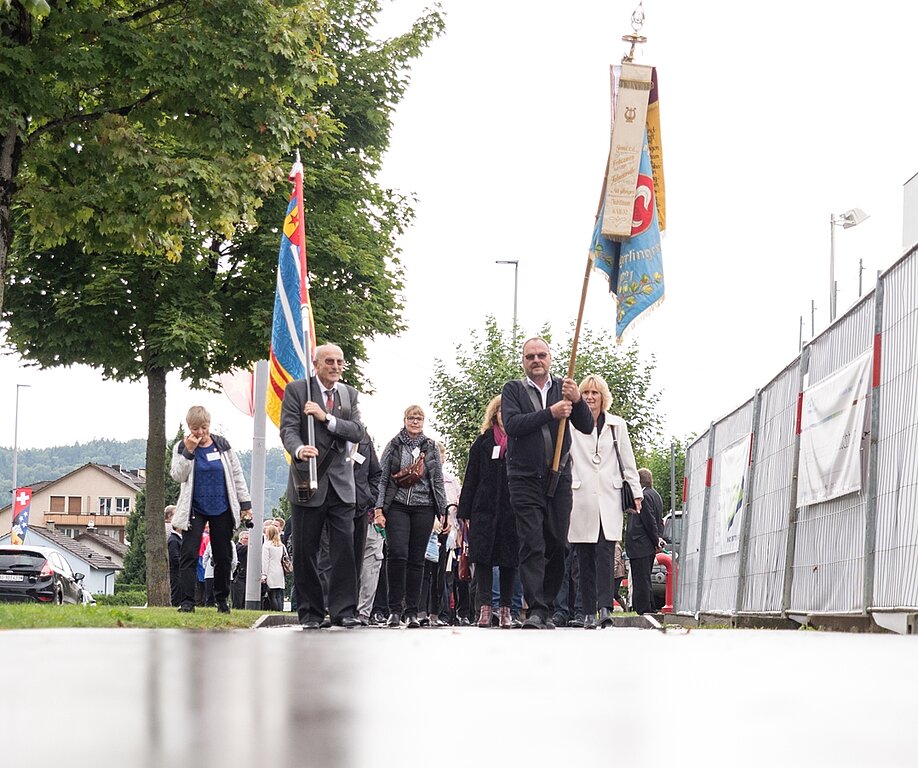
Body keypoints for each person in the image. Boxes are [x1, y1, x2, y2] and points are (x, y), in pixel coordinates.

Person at [501, 337, 593, 629]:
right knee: (532, 541)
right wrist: (550, 413)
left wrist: (577, 400)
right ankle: (537, 608)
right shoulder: (513, 390)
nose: (536, 360)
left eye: (541, 355)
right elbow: (513, 425)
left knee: (557, 542)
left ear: (550, 358)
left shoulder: (563, 388)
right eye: (530, 356)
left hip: (559, 475)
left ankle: (550, 603)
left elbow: (586, 426)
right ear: (523, 361)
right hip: (524, 477)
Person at [280, 343, 366, 630]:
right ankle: (311, 612)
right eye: (329, 361)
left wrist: (325, 418)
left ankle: (344, 610)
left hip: (342, 484)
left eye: (340, 362)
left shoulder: (348, 394)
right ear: (315, 364)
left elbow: (356, 431)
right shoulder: (297, 390)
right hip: (308, 479)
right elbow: (288, 429)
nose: (336, 366)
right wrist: (299, 448)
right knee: (306, 550)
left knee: (345, 549)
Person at [568, 374, 643, 628]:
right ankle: (587, 611)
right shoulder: (571, 424)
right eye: (586, 393)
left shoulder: (616, 425)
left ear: (603, 397)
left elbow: (628, 460)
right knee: (584, 555)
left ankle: (604, 608)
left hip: (609, 496)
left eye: (595, 393)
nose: (590, 398)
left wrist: (636, 492)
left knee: (605, 552)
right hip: (581, 495)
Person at [170, 405, 252, 613]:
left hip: (221, 507)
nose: (200, 433)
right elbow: (178, 475)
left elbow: (236, 475)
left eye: (204, 428)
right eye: (195, 428)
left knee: (223, 555)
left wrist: (245, 505)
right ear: (189, 427)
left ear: (209, 425)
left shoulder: (222, 445)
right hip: (195, 508)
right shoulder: (181, 447)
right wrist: (189, 452)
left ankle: (222, 599)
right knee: (188, 553)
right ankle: (187, 601)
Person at [374, 405, 448, 628]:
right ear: (405, 420)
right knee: (397, 554)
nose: (415, 422)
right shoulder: (394, 445)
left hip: (424, 506)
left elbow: (437, 480)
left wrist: (443, 511)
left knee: (417, 560)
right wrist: (379, 509)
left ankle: (412, 612)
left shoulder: (431, 447)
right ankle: (394, 610)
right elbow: (383, 478)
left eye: (419, 418)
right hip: (397, 505)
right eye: (411, 418)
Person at [457, 395, 520, 628]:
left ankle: (505, 610)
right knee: (482, 558)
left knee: (508, 560)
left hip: (511, 510)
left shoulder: (519, 441)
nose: (505, 416)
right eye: (502, 412)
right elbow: (471, 476)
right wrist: (465, 513)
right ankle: (484, 609)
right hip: (483, 509)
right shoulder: (482, 442)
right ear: (495, 414)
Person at [629, 467, 665, 615]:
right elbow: (659, 520)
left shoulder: (643, 497)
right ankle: (649, 605)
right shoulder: (656, 496)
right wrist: (658, 538)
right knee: (646, 576)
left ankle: (643, 608)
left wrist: (655, 538)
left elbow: (648, 520)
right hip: (648, 544)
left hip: (640, 543)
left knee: (640, 577)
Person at [262, 523, 287, 611]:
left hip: (270, 571)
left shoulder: (267, 545)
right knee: (278, 595)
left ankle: (275, 610)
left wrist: (264, 574)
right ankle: (280, 610)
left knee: (272, 595)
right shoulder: (281, 545)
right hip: (279, 571)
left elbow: (265, 561)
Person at [232, 530, 249, 610]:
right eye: (246, 538)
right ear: (241, 539)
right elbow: (242, 550)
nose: (248, 541)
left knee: (244, 598)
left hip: (246, 576)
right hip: (239, 576)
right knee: (238, 597)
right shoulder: (238, 547)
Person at [168, 523, 182, 607]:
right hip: (175, 571)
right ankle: (175, 606)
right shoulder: (174, 540)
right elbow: (174, 557)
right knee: (176, 591)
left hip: (178, 571)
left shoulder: (177, 539)